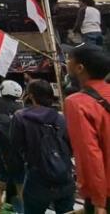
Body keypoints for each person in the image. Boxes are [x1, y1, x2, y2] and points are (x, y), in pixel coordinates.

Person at [11, 80, 75, 214]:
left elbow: (16, 148)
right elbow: (72, 147)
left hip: (37, 178)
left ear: (31, 96)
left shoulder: (20, 117)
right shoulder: (61, 118)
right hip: (64, 177)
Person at [64, 43, 110, 214]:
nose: (66, 62)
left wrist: (99, 202)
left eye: (69, 59)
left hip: (105, 191)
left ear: (79, 67)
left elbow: (89, 154)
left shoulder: (77, 103)